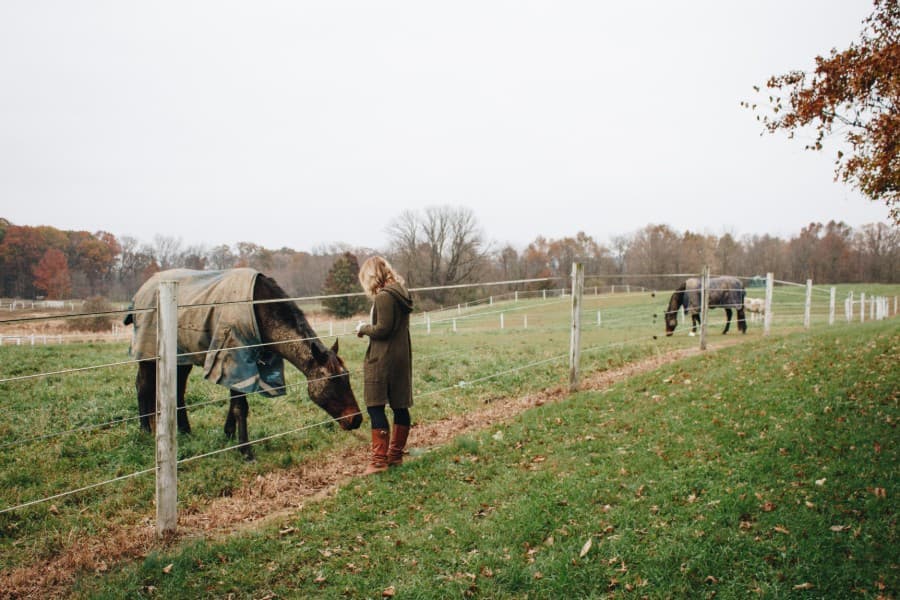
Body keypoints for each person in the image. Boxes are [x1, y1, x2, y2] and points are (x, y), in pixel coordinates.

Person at [355, 256, 414, 474]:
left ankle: (379, 461)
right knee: (400, 405)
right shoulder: (401, 293)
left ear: (371, 276)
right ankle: (395, 455)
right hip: (401, 356)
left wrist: (363, 328)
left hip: (383, 358)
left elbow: (383, 329)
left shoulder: (384, 297)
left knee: (375, 405)